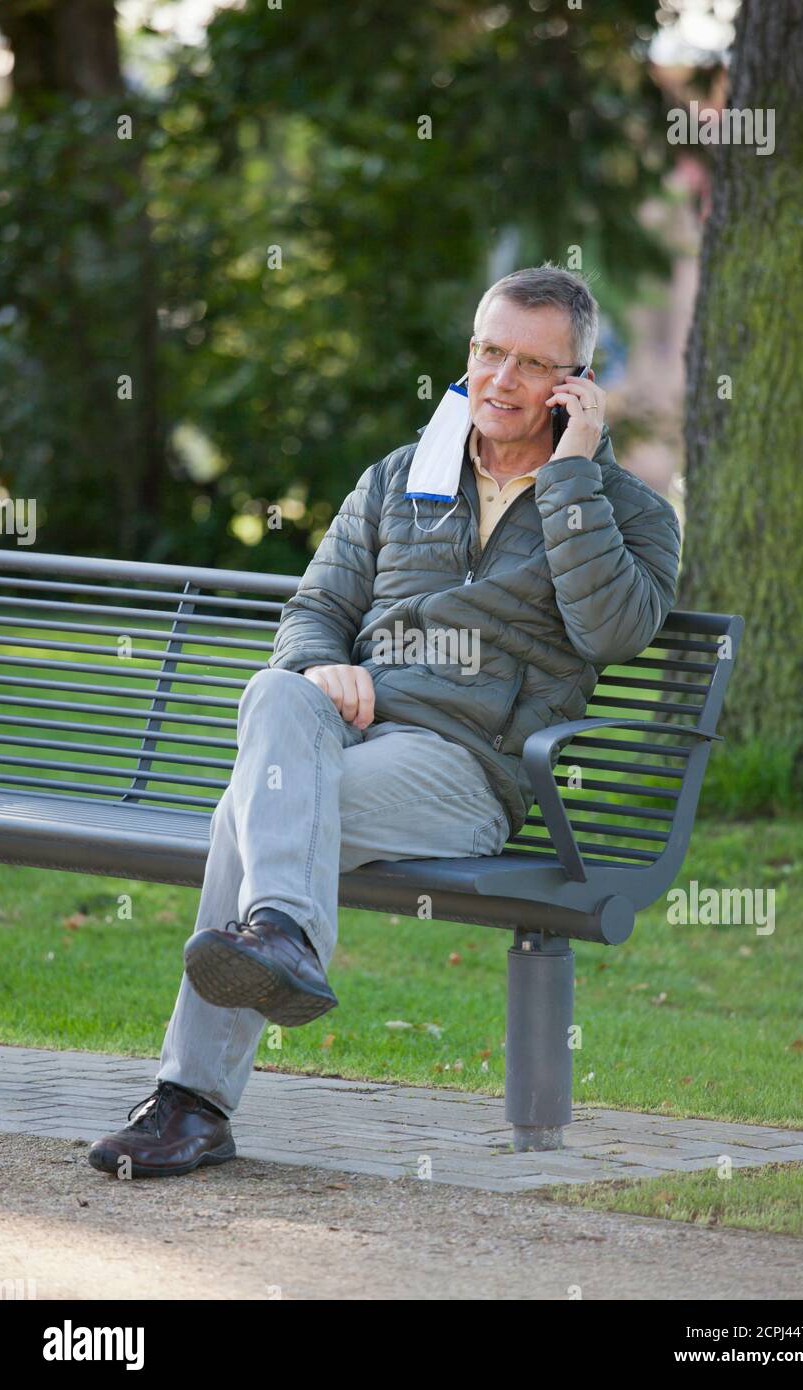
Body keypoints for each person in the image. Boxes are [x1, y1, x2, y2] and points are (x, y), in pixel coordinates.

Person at [88, 263, 681, 1178]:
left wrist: (570, 480)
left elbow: (616, 628)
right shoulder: (405, 476)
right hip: (346, 735)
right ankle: (278, 937)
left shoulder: (629, 512)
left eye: (531, 364)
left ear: (578, 385)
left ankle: (193, 1099)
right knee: (274, 692)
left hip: (464, 767)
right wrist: (321, 665)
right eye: (488, 352)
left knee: (246, 813)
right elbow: (313, 610)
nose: (498, 380)